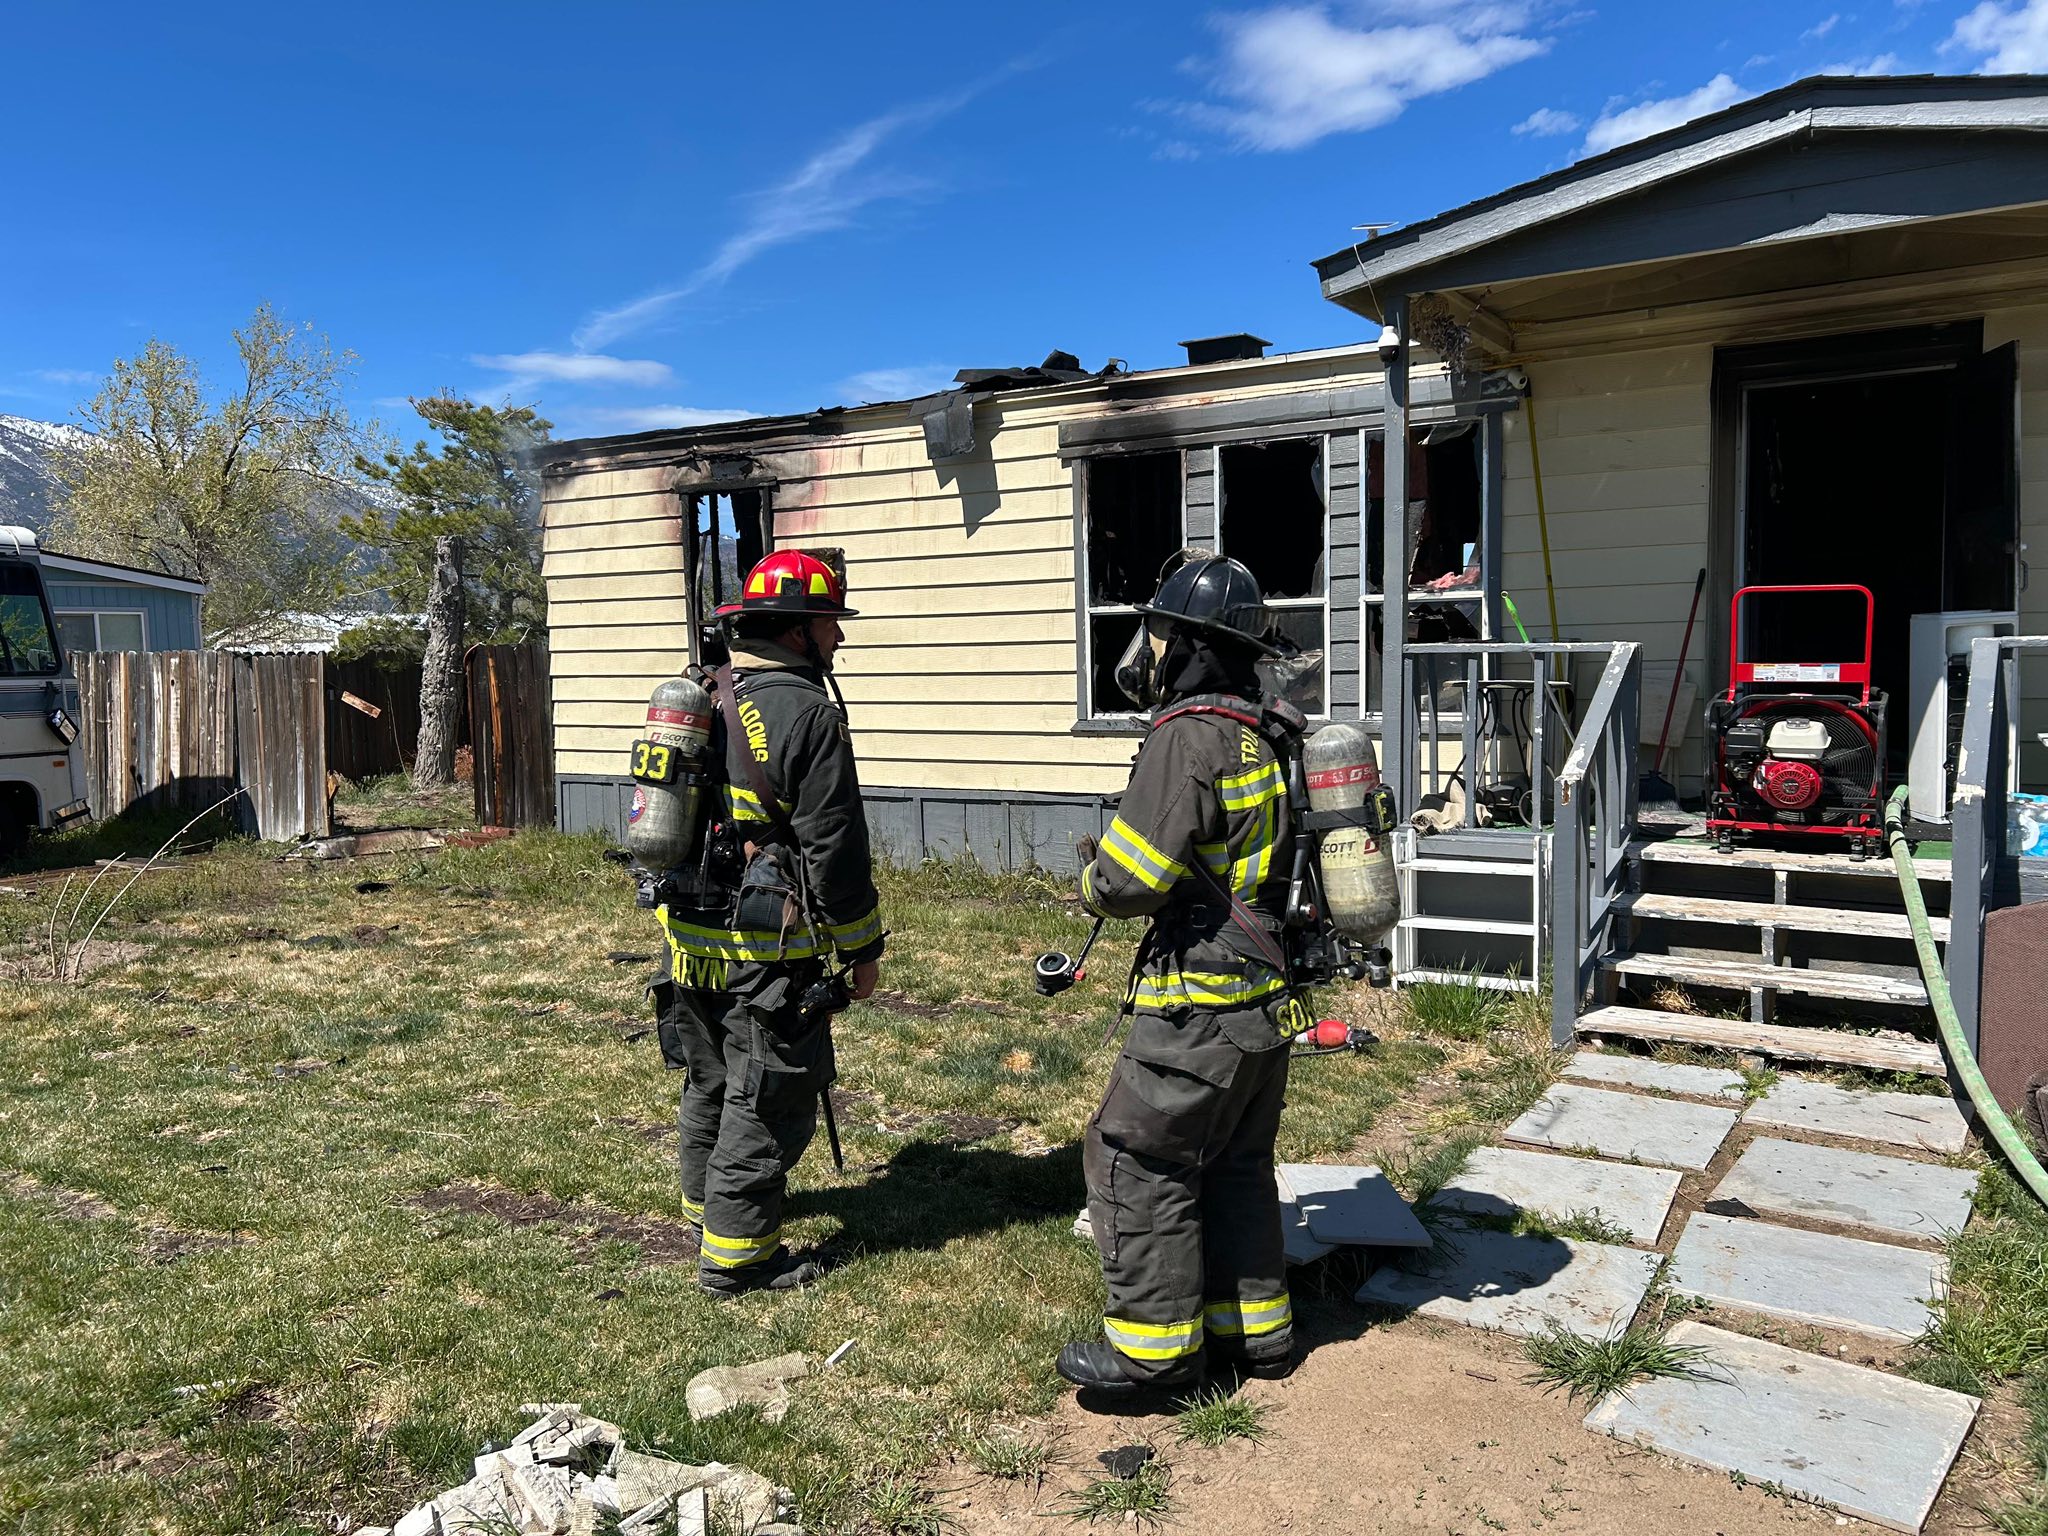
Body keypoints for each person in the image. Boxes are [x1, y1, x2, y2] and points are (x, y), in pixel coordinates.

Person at [1058, 553, 1306, 1398]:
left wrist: (1090, 878)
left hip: (1195, 1002)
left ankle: (1152, 1352)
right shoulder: (1268, 729)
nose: (1147, 649)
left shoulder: (1187, 734)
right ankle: (1256, 1334)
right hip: (1263, 1002)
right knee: (1235, 1160)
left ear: (1192, 642)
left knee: (1134, 1154)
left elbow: (1129, 882)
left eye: (1158, 631)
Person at [655, 549, 883, 1297]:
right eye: (829, 625)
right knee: (766, 1094)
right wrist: (862, 950)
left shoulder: (706, 692)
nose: (840, 641)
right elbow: (834, 845)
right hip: (765, 943)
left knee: (711, 1078)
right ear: (796, 632)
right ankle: (740, 1257)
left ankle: (706, 1213)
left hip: (688, 937)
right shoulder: (807, 712)